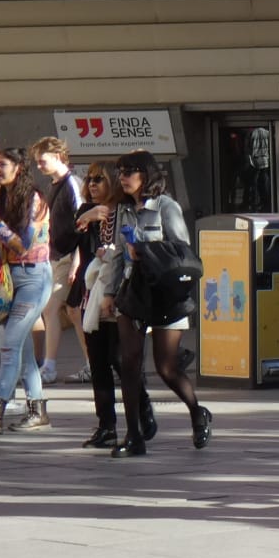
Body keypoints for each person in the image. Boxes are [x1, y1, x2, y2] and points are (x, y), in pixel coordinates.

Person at [98, 152, 211, 455]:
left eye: (130, 171)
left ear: (146, 175)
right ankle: (134, 436)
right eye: (120, 171)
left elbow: (182, 250)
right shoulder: (122, 210)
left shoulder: (165, 206)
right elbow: (114, 254)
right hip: (133, 292)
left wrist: (146, 251)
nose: (122, 177)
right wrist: (108, 293)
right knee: (128, 362)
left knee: (166, 367)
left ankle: (197, 412)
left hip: (165, 292)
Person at [0, 148, 54, 433]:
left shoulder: (34, 199)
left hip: (34, 278)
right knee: (24, 350)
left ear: (19, 167)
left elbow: (23, 245)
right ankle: (37, 410)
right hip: (7, 277)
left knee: (11, 344)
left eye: (3, 165)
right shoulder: (1, 198)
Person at [73, 162, 153, 450]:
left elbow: (125, 251)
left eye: (100, 179)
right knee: (97, 361)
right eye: (90, 179)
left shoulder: (124, 210)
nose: (93, 184)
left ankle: (142, 407)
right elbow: (61, 241)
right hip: (91, 292)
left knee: (120, 358)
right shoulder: (86, 211)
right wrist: (87, 219)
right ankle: (106, 425)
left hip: (120, 291)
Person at [33, 137, 88, 383]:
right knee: (73, 312)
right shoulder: (56, 184)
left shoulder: (72, 185)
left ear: (57, 156)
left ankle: (50, 366)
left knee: (53, 308)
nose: (39, 166)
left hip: (69, 256)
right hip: (58, 256)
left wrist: (77, 259)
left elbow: (84, 222)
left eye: (42, 161)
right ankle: (90, 364)